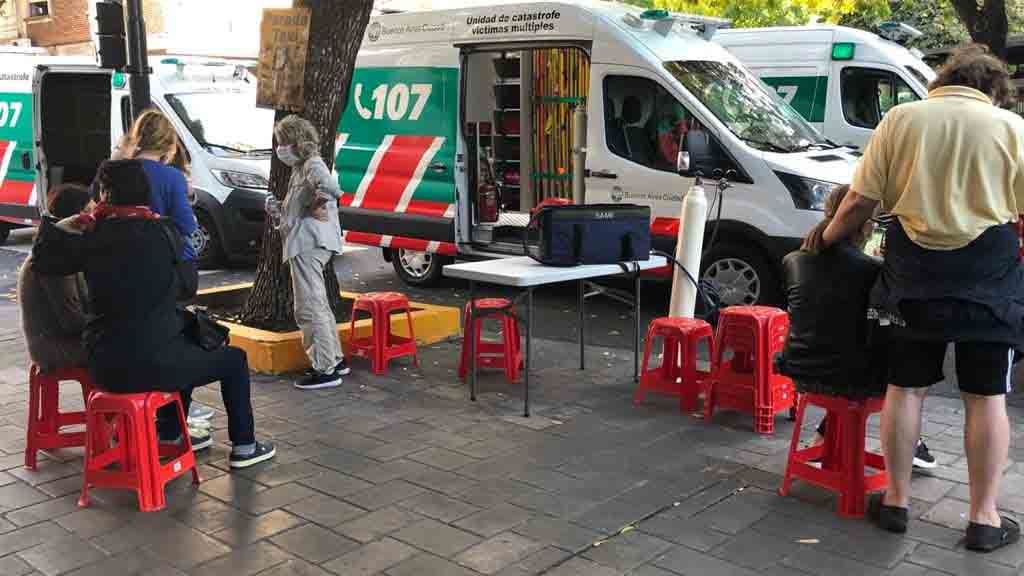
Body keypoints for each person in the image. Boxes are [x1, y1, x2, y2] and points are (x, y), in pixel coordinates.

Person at [819, 45, 1023, 551]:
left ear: (942, 80)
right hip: (990, 275)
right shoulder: (1013, 129)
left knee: (904, 387)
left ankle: (895, 502)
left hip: (912, 270)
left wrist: (824, 237)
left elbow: (859, 202)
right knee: (987, 395)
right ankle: (983, 518)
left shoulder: (901, 118)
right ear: (994, 89)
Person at [31, 159, 275, 469]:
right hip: (157, 364)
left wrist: (69, 223)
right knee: (231, 359)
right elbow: (188, 287)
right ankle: (244, 446)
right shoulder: (165, 233)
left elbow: (44, 260)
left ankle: (172, 434)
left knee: (180, 346)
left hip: (105, 365)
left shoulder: (93, 236)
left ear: (105, 194)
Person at [787, 186, 936, 469]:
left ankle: (822, 441)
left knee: (850, 360)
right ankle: (910, 441)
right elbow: (881, 322)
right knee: (912, 371)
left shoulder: (795, 258)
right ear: (866, 224)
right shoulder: (869, 271)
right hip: (843, 372)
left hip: (800, 365)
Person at [267, 115, 347, 390]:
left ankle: (325, 369)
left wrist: (317, 204)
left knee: (309, 307)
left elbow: (332, 189)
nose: (280, 149)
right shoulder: (301, 167)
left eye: (282, 143)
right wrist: (279, 208)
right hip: (308, 242)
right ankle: (333, 359)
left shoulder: (312, 164)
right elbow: (297, 209)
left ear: (293, 141)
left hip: (308, 244)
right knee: (318, 304)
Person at [112, 110, 199, 299]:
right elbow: (186, 225)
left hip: (121, 261)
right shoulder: (173, 177)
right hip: (167, 265)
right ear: (169, 144)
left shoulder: (112, 172)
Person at [18, 184, 93, 373]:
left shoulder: (61, 247)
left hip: (65, 338)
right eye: (88, 212)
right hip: (53, 347)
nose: (94, 219)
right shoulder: (55, 258)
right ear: (74, 217)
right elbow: (71, 321)